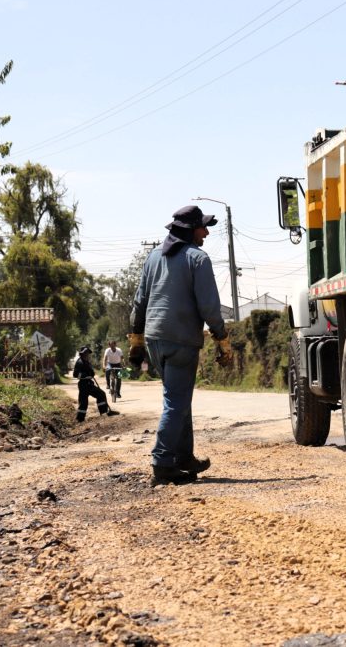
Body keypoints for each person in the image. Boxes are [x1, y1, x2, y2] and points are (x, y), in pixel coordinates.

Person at [130, 205, 234, 486]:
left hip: (154, 339)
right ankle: (163, 461)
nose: (207, 232)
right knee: (175, 401)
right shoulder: (198, 259)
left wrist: (136, 339)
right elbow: (210, 307)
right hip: (180, 340)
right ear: (191, 231)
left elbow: (140, 301)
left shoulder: (153, 258)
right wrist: (222, 339)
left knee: (178, 397)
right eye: (203, 227)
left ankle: (184, 458)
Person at [72, 345, 120, 421]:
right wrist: (85, 375)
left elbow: (91, 372)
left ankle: (104, 412)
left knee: (101, 394)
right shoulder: (79, 362)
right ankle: (80, 419)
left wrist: (91, 374)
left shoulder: (86, 362)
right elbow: (75, 374)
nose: (87, 354)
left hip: (89, 384)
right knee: (83, 403)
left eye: (87, 353)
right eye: (85, 353)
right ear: (82, 354)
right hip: (83, 385)